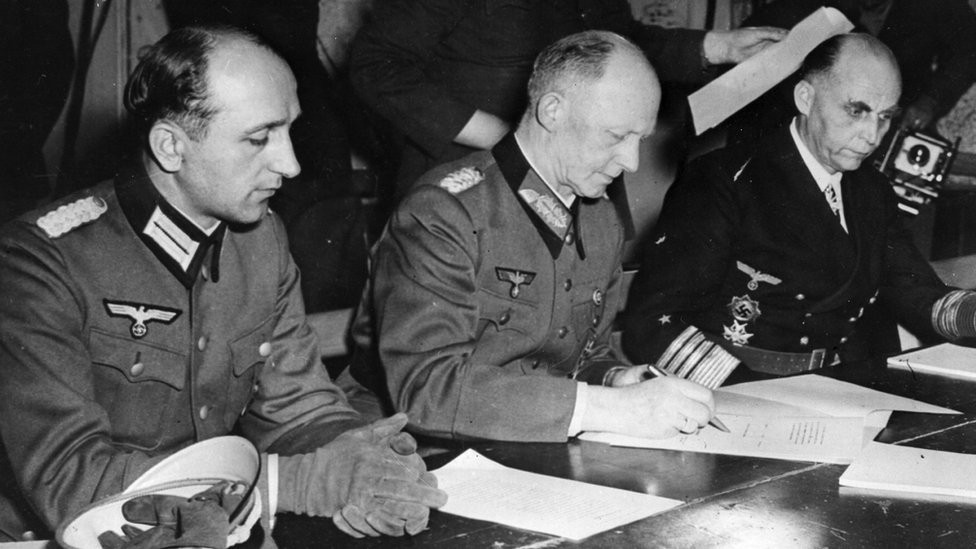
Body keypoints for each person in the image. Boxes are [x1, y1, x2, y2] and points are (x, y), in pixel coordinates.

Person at [0, 26, 446, 543]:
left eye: (289, 132)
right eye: (258, 139)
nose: (291, 164)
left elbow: (298, 406)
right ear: (170, 146)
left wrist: (369, 459)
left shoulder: (259, 239)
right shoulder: (38, 262)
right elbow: (71, 479)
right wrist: (294, 483)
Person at [340, 31, 721, 443]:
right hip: (404, 443)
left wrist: (616, 380)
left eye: (639, 140)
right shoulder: (444, 212)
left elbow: (578, 363)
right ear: (552, 111)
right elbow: (427, 391)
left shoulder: (600, 221)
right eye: (615, 137)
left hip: (529, 441)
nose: (630, 163)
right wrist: (607, 408)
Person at [622, 33, 976, 376]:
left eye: (884, 117)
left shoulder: (872, 189)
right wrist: (744, 392)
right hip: (740, 386)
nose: (872, 136)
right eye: (857, 111)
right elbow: (653, 322)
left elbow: (912, 286)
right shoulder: (724, 181)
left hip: (842, 382)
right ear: (805, 98)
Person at [348, 0, 786, 193]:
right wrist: (500, 135)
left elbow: (616, 45)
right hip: (471, 183)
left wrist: (720, 46)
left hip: (573, 180)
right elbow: (377, 64)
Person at [726, 0, 976, 146]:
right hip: (799, 134)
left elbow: (969, 47)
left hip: (887, 134)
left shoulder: (935, 6)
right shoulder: (806, 5)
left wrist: (930, 101)